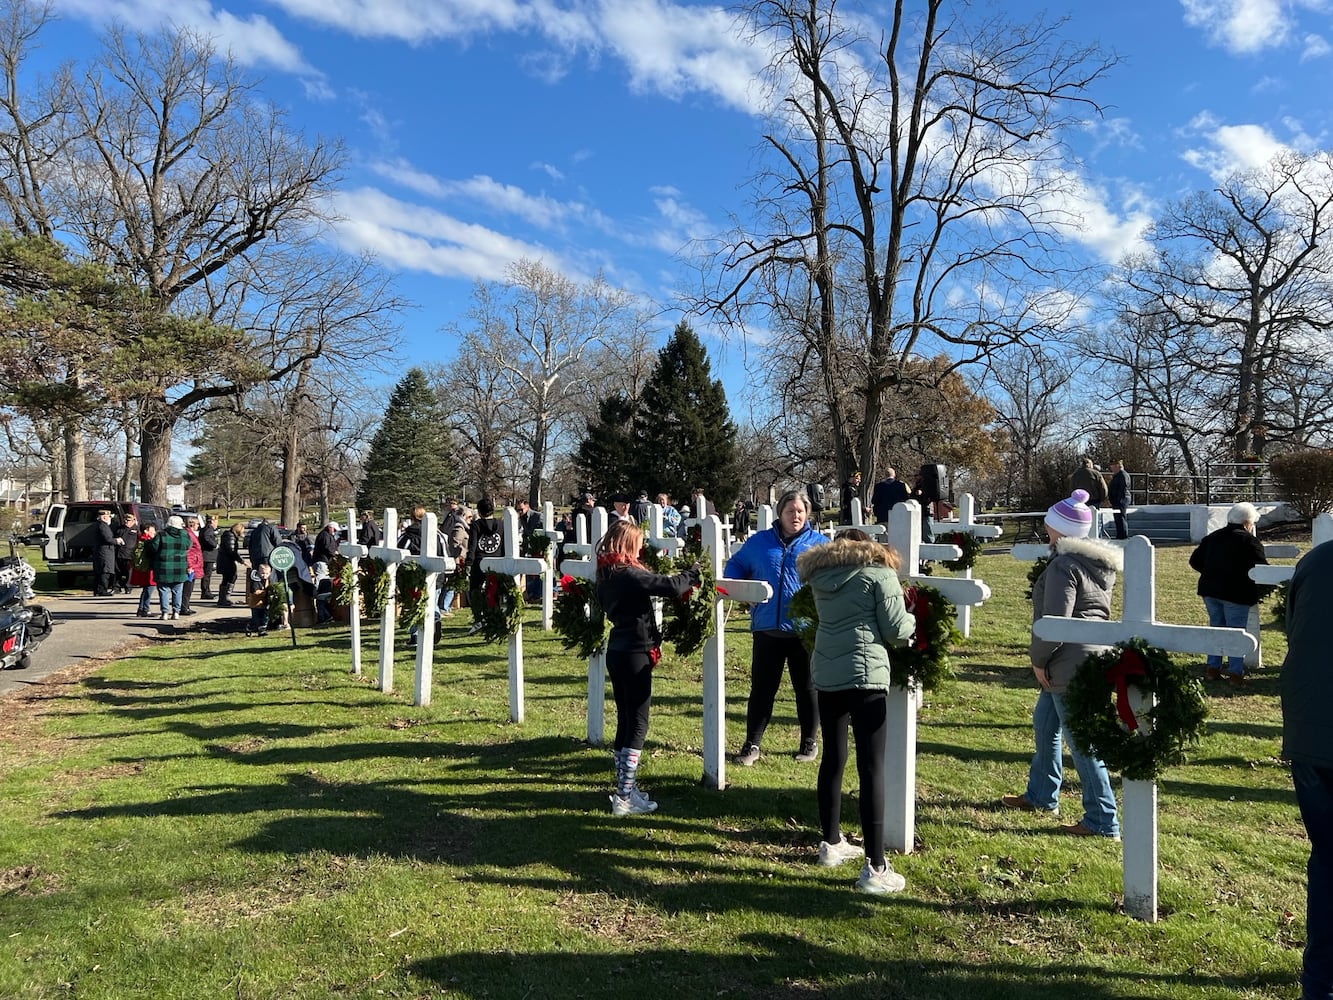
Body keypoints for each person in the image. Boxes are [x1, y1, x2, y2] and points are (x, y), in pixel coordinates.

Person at [797, 528, 915, 894]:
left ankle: (830, 843)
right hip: (866, 675)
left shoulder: (820, 575)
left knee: (833, 757)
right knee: (871, 766)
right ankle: (876, 866)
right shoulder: (879, 574)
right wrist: (912, 617)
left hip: (828, 674)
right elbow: (895, 630)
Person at [1002, 489, 1122, 840]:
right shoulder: (1094, 564)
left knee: (1082, 743)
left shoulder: (1063, 566)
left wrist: (1039, 661)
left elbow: (1054, 623)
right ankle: (1041, 795)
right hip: (1091, 656)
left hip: (1065, 661)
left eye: (1050, 524)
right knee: (1045, 723)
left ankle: (1102, 819)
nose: (1045, 528)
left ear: (1060, 529)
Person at [594, 519, 700, 816]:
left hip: (617, 650)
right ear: (627, 544)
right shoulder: (628, 575)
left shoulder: (605, 575)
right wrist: (692, 573)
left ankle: (626, 790)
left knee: (625, 720)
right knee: (638, 723)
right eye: (638, 543)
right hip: (635, 652)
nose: (641, 548)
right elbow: (669, 586)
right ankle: (624, 797)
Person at [726, 489, 829, 766]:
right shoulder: (760, 542)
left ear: (807, 514)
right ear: (779, 513)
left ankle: (809, 741)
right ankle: (752, 744)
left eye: (800, 511)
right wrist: (741, 591)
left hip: (804, 631)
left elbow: (833, 579)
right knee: (761, 689)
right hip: (766, 628)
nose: (795, 515)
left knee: (806, 689)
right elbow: (735, 565)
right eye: (789, 510)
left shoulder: (819, 545)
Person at [1282, 540, 1333, 1000]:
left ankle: (1318, 984)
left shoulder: (1315, 561)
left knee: (1328, 859)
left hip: (1308, 730)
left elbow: (1295, 630)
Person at [1188, 501, 1267, 686]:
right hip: (1236, 593)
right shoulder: (1249, 541)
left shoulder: (1213, 537)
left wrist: (1210, 572)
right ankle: (1235, 674)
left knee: (1217, 627)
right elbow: (1262, 568)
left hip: (1210, 590)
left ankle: (1212, 669)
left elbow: (1194, 561)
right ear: (1248, 523)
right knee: (1236, 632)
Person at [466, 497, 505, 636]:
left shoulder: (476, 525)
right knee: (494, 592)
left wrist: (468, 562)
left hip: (480, 562)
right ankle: (496, 618)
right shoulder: (500, 524)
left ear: (479, 511)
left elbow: (473, 545)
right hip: (497, 562)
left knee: (474, 591)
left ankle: (479, 619)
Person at [146, 515, 191, 621]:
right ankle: (176, 612)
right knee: (177, 591)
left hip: (163, 567)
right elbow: (188, 546)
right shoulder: (185, 535)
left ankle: (165, 612)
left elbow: (153, 548)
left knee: (163, 590)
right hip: (179, 567)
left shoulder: (161, 534)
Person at [1070, 458, 1109, 536]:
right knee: (1097, 521)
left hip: (1079, 502)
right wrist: (1102, 499)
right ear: (1090, 464)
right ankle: (1097, 538)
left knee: (1081, 522)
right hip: (1094, 501)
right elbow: (1103, 488)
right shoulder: (1096, 474)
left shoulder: (1075, 475)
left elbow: (1071, 489)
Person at [129, 523, 157, 617]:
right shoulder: (147, 541)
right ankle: (144, 609)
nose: (154, 532)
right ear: (146, 530)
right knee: (149, 589)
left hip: (143, 568)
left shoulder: (140, 539)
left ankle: (142, 609)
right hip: (148, 569)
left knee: (146, 589)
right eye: (152, 530)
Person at [92, 509, 120, 596]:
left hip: (102, 551)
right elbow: (108, 539)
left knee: (101, 571)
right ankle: (102, 590)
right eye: (109, 517)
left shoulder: (99, 525)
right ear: (104, 517)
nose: (110, 519)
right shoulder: (103, 526)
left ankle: (98, 590)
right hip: (104, 551)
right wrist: (117, 541)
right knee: (105, 571)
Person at [216, 522, 245, 606]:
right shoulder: (230, 536)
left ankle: (223, 598)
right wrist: (241, 560)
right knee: (230, 578)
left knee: (228, 578)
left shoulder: (229, 535)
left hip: (226, 560)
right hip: (226, 561)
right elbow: (231, 551)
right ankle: (224, 598)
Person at [245, 562, 274, 637]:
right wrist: (265, 592)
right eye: (262, 573)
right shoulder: (255, 581)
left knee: (265, 618)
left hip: (264, 603)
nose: (264, 575)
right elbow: (255, 592)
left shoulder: (268, 580)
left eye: (267, 573)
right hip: (256, 604)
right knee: (256, 619)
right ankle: (249, 628)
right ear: (258, 572)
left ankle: (262, 631)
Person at [114, 511, 139, 594]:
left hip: (130, 553)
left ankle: (128, 587)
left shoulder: (136, 530)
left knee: (129, 572)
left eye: (128, 520)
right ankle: (117, 587)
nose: (126, 522)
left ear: (133, 521)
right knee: (118, 571)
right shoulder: (120, 528)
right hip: (119, 552)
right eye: (125, 520)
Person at [1108, 460, 1131, 540]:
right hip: (1118, 499)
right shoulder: (1118, 475)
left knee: (1121, 518)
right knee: (1118, 518)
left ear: (1117, 465)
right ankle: (1120, 535)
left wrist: (1119, 499)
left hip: (1121, 499)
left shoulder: (1122, 475)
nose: (1111, 468)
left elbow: (1122, 488)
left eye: (1112, 466)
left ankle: (1123, 536)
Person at [198, 514, 219, 599]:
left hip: (207, 555)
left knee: (207, 575)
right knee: (207, 575)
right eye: (216, 521)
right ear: (212, 521)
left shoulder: (205, 529)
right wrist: (215, 545)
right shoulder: (209, 529)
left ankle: (207, 590)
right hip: (207, 555)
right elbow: (207, 538)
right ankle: (205, 592)